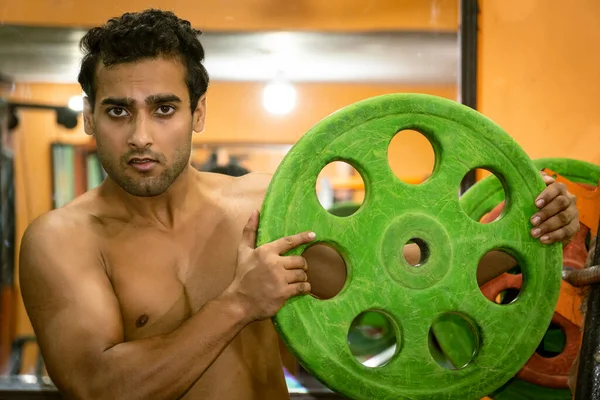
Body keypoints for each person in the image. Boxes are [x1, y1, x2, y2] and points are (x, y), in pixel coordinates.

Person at [18, 9, 580, 400]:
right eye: (119, 111)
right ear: (90, 117)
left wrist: (528, 237)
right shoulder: (63, 240)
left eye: (164, 109)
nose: (141, 135)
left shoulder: (267, 203)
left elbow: (408, 273)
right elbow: (101, 388)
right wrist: (237, 304)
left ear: (198, 114)